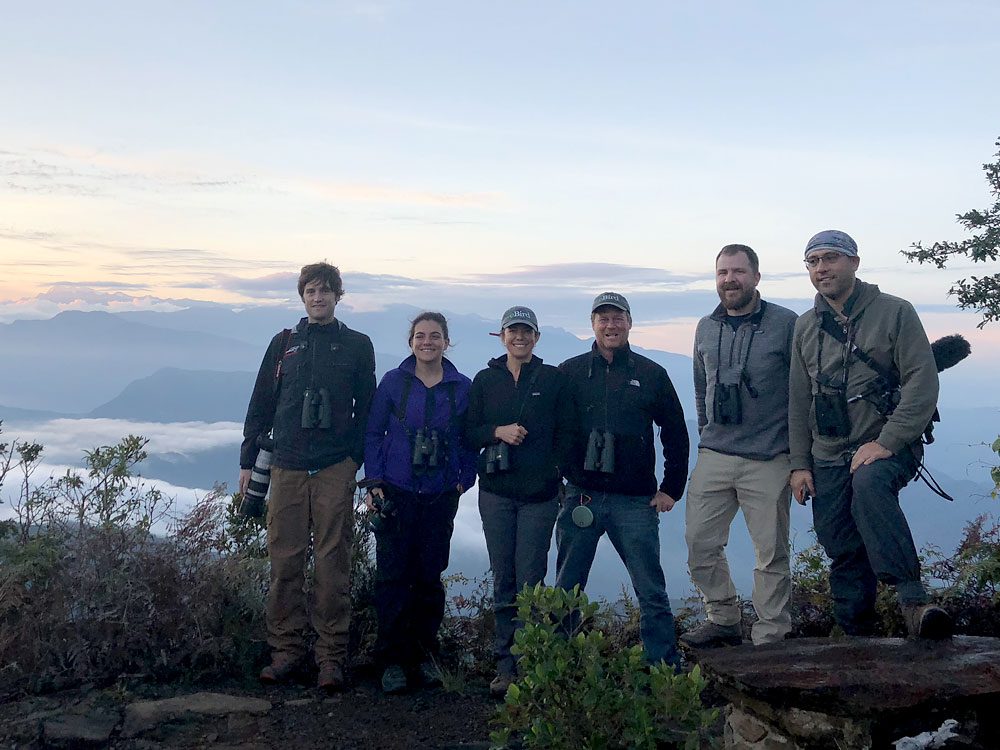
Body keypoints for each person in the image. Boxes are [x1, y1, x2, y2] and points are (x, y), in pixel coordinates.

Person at [789, 230, 952, 639]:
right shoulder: (806, 326)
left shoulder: (895, 311)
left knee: (870, 484)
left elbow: (921, 380)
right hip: (827, 451)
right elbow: (797, 400)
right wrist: (799, 464)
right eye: (813, 261)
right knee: (838, 540)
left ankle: (914, 603)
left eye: (831, 258)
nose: (821, 268)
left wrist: (887, 442)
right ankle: (855, 631)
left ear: (854, 262)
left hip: (888, 442)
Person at [239, 262, 376, 692]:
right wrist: (248, 462)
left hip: (335, 464)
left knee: (333, 565)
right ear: (302, 296)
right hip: (287, 464)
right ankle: (285, 653)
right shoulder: (283, 344)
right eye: (311, 291)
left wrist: (356, 459)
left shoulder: (356, 345)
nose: (318, 298)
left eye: (326, 291)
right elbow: (261, 402)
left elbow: (367, 408)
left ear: (338, 296)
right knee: (285, 563)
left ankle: (330, 659)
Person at [555, 292, 690, 668]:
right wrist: (560, 481)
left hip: (635, 500)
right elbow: (556, 432)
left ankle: (663, 667)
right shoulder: (570, 371)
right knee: (567, 587)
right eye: (603, 319)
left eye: (617, 318)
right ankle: (558, 665)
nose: (610, 325)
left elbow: (676, 433)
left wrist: (671, 488)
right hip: (581, 495)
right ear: (592, 324)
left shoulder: (651, 374)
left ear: (629, 323)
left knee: (650, 588)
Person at [681, 244, 798, 649]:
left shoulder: (786, 323)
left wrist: (798, 458)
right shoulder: (705, 326)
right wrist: (706, 435)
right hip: (716, 452)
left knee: (770, 553)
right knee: (699, 543)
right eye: (722, 273)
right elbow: (701, 388)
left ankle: (771, 634)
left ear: (756, 277)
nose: (729, 280)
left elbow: (802, 394)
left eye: (738, 272)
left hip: (769, 456)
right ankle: (724, 617)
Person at [363, 312, 477, 693]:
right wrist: (374, 482)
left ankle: (424, 657)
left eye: (435, 336)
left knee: (429, 578)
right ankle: (392, 661)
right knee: (393, 577)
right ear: (410, 341)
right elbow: (374, 432)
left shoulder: (462, 387)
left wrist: (465, 478)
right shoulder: (394, 383)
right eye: (420, 336)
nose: (427, 342)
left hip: (441, 493)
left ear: (447, 341)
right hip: (396, 490)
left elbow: (470, 436)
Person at [466, 306, 574, 697]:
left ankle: (530, 662)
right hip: (495, 493)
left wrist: (560, 474)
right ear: (502, 336)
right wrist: (497, 431)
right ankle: (505, 666)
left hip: (539, 496)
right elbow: (468, 432)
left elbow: (567, 431)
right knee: (503, 579)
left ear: (537, 337)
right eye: (513, 331)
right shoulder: (484, 380)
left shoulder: (552, 379)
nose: (520, 337)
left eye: (526, 331)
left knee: (531, 580)